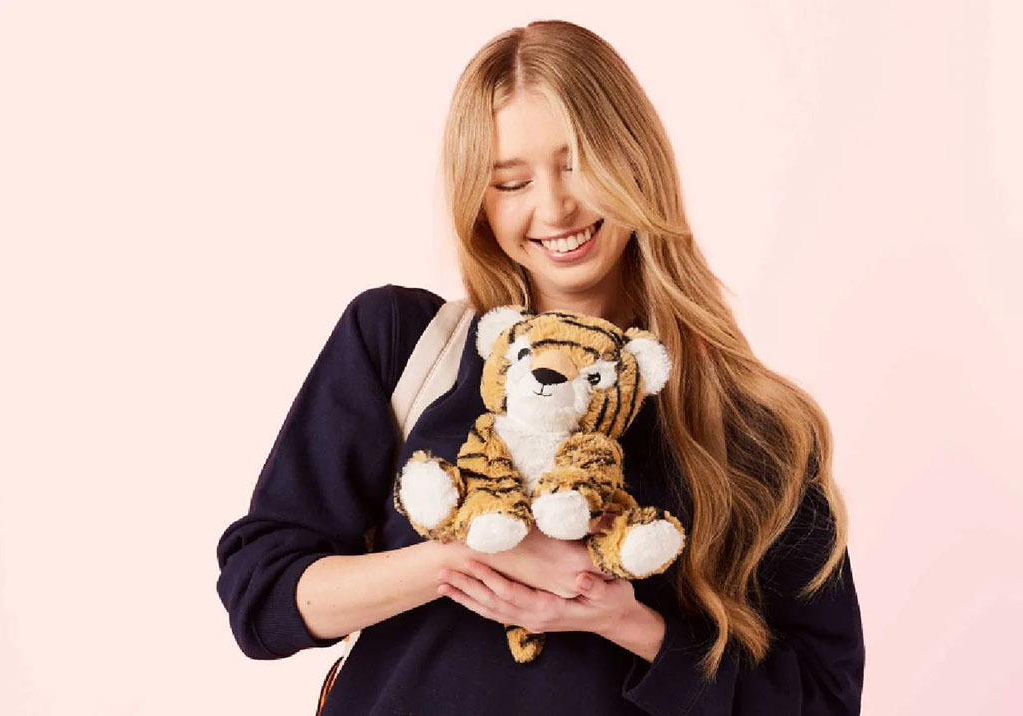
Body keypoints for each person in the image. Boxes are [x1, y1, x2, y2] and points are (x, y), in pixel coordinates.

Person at [215, 19, 865, 716]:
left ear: (636, 161)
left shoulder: (753, 424)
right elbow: (264, 599)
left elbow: (822, 700)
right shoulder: (403, 341)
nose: (554, 207)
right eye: (512, 181)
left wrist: (625, 621)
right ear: (480, 204)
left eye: (579, 164)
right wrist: (468, 557)